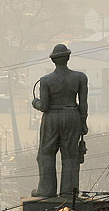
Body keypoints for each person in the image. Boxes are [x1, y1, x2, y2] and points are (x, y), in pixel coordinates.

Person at [31, 44, 89, 198]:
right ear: (68, 58)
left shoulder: (46, 80)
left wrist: (34, 102)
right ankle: (68, 192)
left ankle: (46, 190)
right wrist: (83, 123)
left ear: (53, 61)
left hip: (52, 117)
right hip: (72, 115)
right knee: (70, 155)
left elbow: (44, 106)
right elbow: (83, 103)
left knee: (46, 153)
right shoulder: (80, 77)